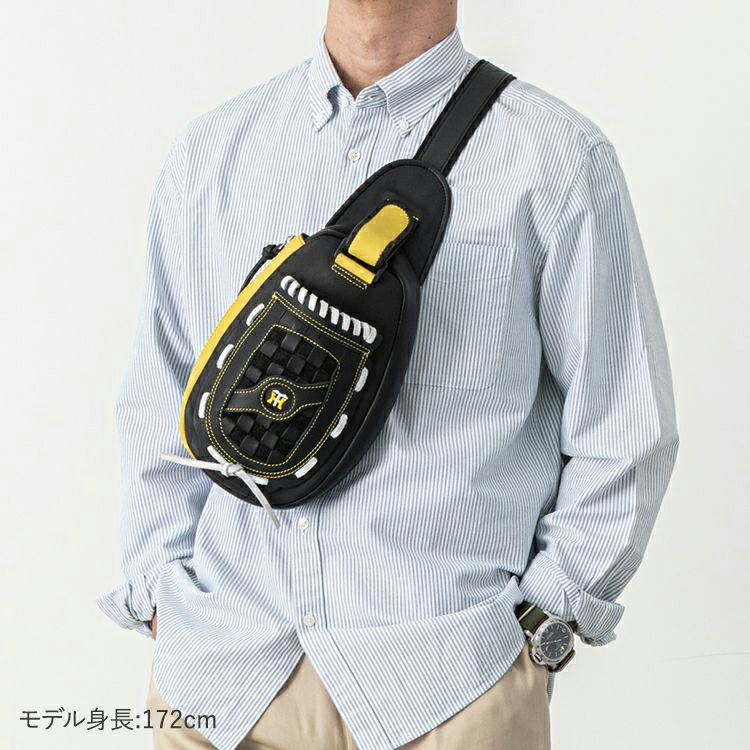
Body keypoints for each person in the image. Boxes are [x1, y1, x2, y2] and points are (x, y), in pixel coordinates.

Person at [98, 1, 679, 748]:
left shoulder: (556, 158)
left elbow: (626, 427)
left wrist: (543, 626)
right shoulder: (212, 154)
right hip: (223, 685)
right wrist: (163, 596)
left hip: (449, 686)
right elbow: (161, 398)